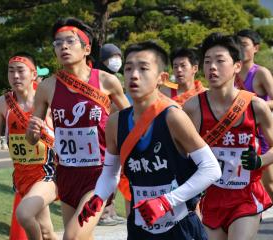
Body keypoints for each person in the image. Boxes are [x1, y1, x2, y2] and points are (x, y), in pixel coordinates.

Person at [78, 40, 221, 239]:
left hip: (180, 226)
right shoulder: (115, 122)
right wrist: (99, 197)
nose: (134, 75)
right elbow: (111, 172)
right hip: (140, 225)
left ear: (161, 78)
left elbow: (211, 168)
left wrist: (166, 201)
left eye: (143, 68)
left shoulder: (173, 117)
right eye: (128, 68)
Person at [26, 17, 130, 240]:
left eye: (70, 41)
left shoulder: (107, 82)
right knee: (82, 236)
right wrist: (33, 131)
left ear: (87, 48)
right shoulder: (47, 87)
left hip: (99, 174)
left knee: (72, 236)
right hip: (66, 174)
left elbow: (133, 119)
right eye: (58, 43)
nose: (63, 46)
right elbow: (32, 139)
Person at [184, 32, 273, 240]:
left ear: (237, 66)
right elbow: (181, 152)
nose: (212, 67)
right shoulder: (193, 107)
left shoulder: (255, 106)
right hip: (210, 197)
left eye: (220, 61)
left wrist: (259, 160)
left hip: (245, 196)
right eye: (207, 61)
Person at [0, 52, 57, 240]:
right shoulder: (2, 103)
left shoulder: (47, 100)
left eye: (21, 71)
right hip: (21, 173)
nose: (15, 76)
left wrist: (44, 131)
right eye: (11, 71)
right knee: (46, 230)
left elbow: (61, 135)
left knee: (25, 215)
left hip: (48, 171)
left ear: (33, 74)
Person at [236, 29, 273, 201]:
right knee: (244, 184)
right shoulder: (231, 73)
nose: (240, 49)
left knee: (269, 183)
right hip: (240, 137)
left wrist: (258, 106)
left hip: (262, 136)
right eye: (238, 45)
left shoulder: (261, 73)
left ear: (256, 48)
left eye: (244, 45)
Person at [97, 43, 127, 226]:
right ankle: (103, 213)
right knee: (107, 172)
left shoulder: (116, 78)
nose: (116, 61)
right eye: (111, 57)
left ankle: (111, 210)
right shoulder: (98, 80)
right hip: (103, 134)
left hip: (117, 131)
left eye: (118, 56)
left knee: (115, 174)